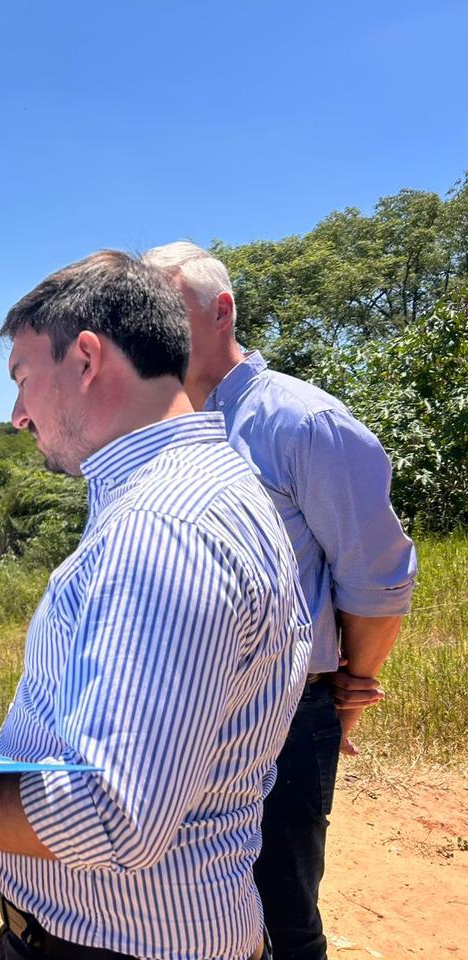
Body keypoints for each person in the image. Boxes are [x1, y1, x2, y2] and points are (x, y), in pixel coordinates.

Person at [0, 251, 313, 960]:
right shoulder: (208, 485)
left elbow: (109, 815)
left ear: (87, 360)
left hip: (112, 947)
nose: (17, 415)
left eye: (23, 379)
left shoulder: (161, 530)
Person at [142, 240, 418, 960]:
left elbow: (376, 577)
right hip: (175, 715)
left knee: (281, 918)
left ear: (222, 310)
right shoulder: (159, 431)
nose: (154, 332)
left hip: (287, 714)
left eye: (169, 311)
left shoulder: (302, 421)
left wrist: (349, 685)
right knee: (186, 915)